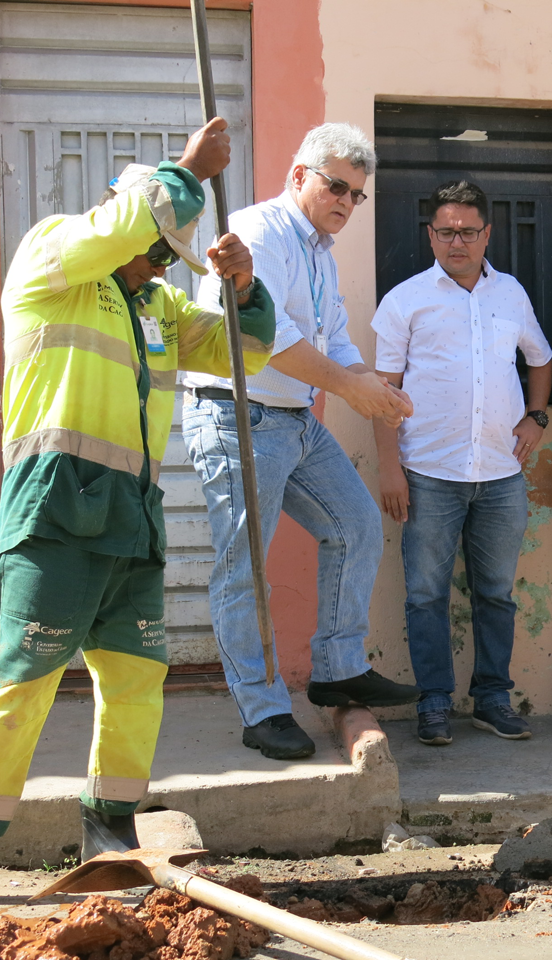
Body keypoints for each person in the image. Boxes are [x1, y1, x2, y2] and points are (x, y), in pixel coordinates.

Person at [0, 119, 277, 912]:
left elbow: (248, 352)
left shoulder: (158, 307)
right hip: (55, 505)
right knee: (24, 678)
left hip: (131, 515)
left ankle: (109, 829)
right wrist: (187, 171)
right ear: (122, 214)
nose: (160, 260)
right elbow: (130, 224)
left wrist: (244, 288)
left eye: (172, 252)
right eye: (155, 243)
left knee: (136, 682)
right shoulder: (54, 256)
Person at [181, 123, 419, 762]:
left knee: (357, 525)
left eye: (356, 194)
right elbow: (272, 338)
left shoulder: (318, 251)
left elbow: (334, 337)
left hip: (293, 419)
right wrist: (350, 389)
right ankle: (261, 711)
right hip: (237, 416)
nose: (345, 201)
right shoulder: (261, 231)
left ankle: (337, 669)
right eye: (335, 185)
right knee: (246, 570)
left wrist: (376, 388)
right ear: (299, 177)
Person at [372, 180, 552, 745]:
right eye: (446, 231)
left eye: (468, 232)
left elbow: (541, 359)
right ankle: (432, 703)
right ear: (431, 235)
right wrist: (389, 468)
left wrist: (537, 415)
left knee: (495, 592)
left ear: (486, 235)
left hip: (501, 476)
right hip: (428, 474)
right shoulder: (405, 300)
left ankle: (492, 699)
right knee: (425, 593)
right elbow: (383, 392)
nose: (457, 242)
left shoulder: (512, 294)